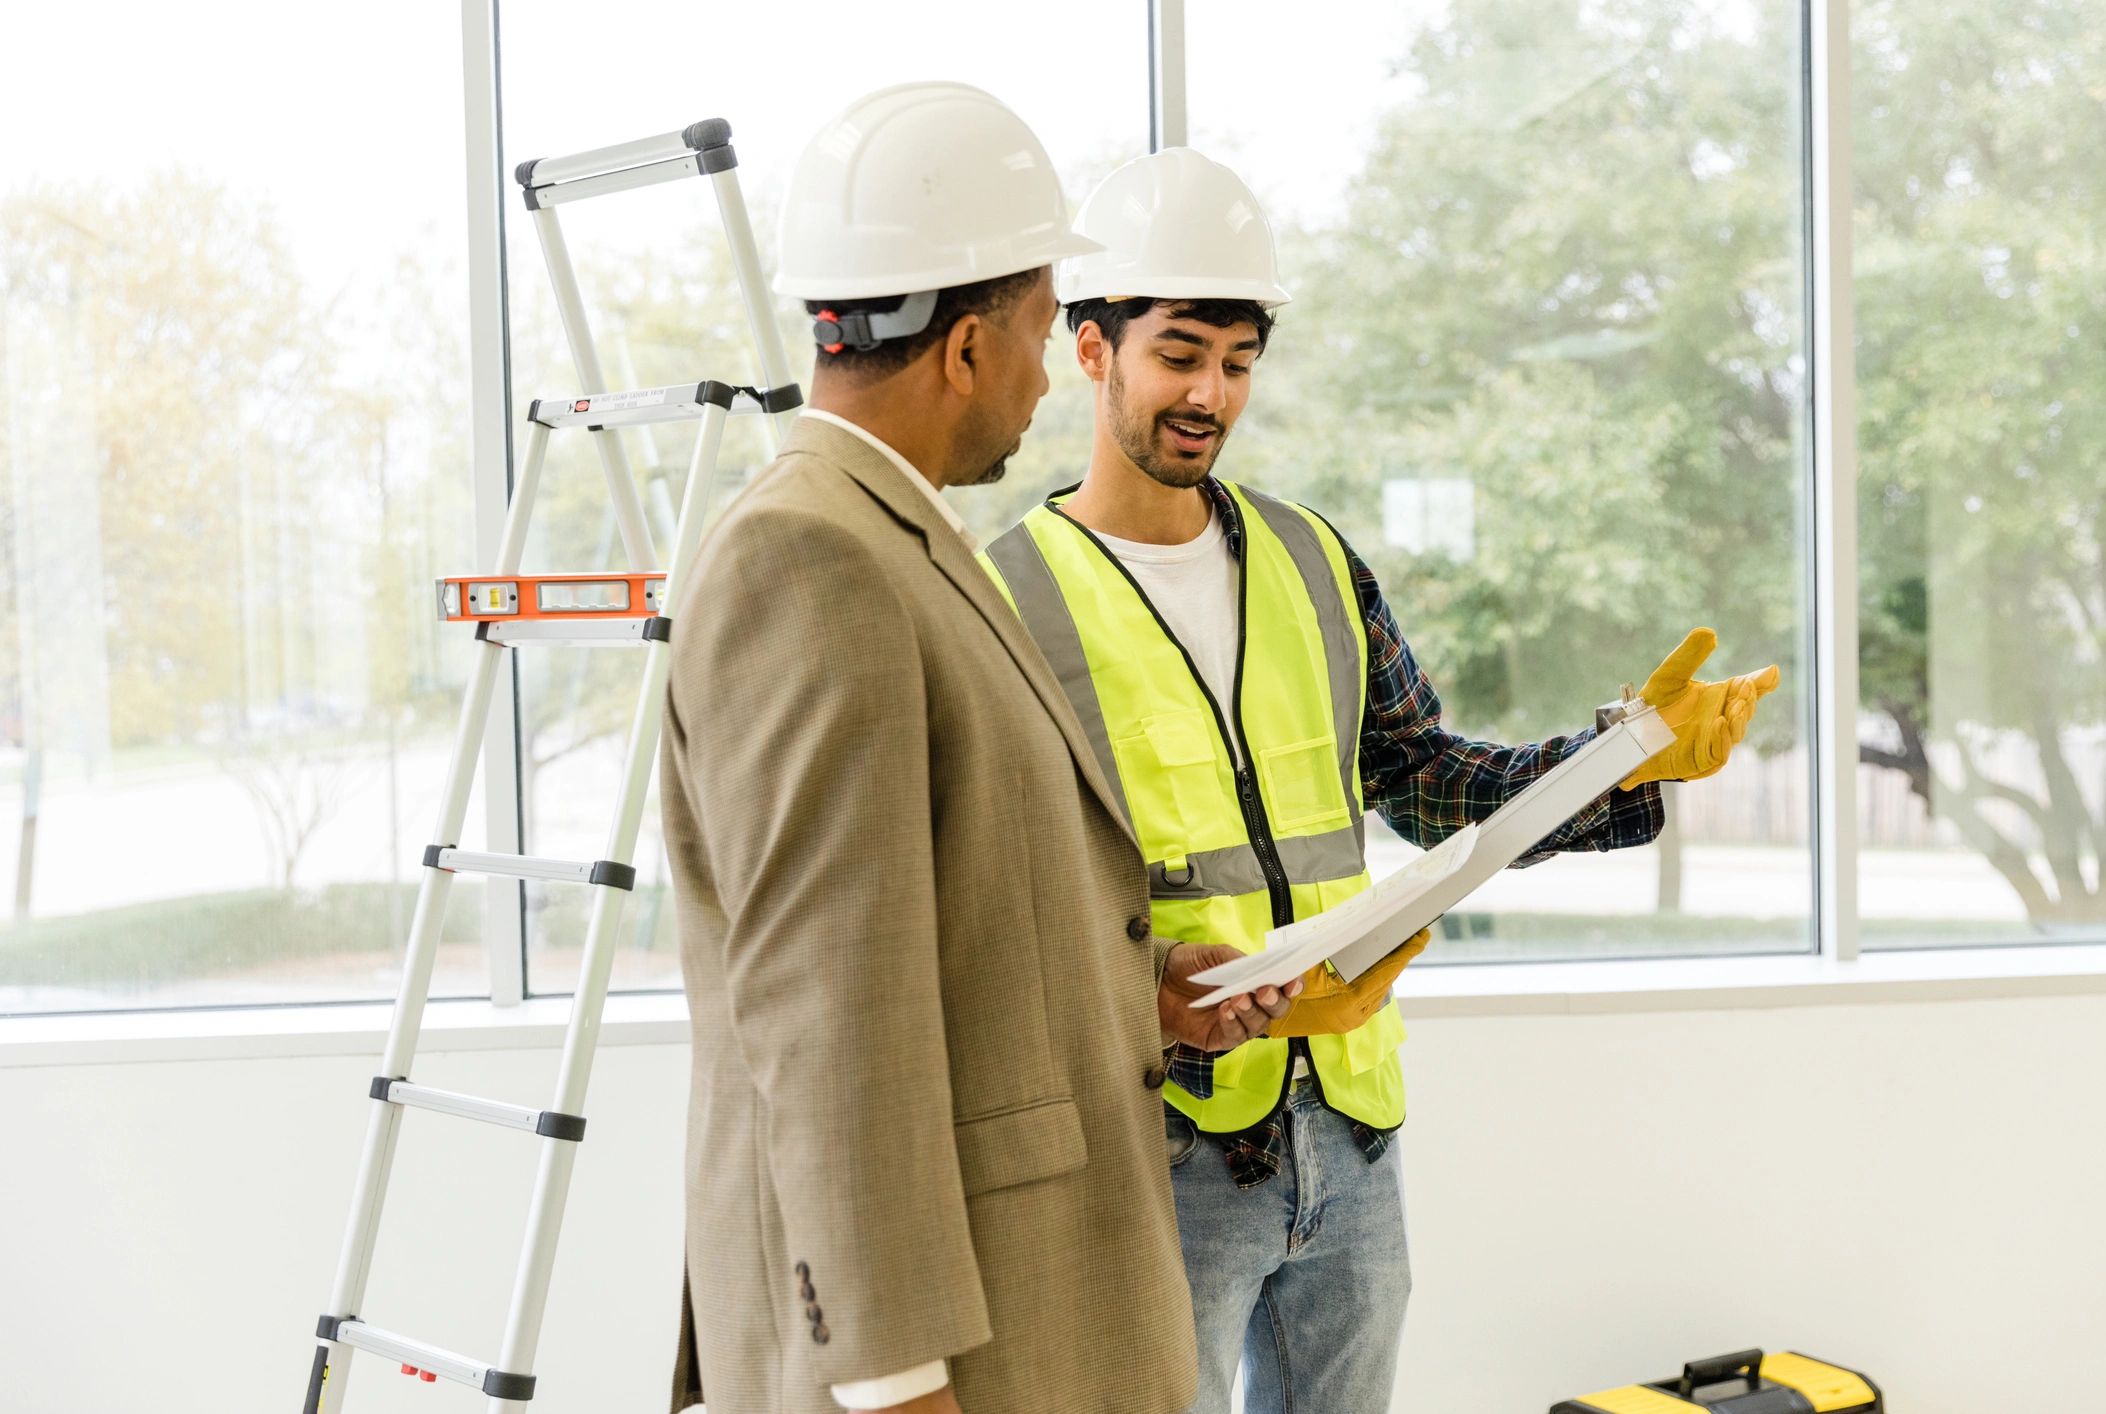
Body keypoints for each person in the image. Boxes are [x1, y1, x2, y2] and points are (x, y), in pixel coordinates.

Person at [979, 147, 1779, 1413]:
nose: (1210, 394)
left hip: (1347, 1123)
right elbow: (996, 900)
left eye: (1238, 362)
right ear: (1092, 349)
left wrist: (1627, 753)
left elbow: (1425, 777)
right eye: (1179, 355)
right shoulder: (1005, 597)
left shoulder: (1310, 557)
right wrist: (1146, 994)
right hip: (1164, 1136)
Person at [660, 89, 1300, 1414]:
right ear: (964, 346)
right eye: (1038, 325)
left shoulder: (893, 536)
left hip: (1026, 1306)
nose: (1044, 371)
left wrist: (1143, 987)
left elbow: (945, 920)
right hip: (948, 1352)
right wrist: (894, 1379)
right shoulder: (809, 556)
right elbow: (822, 1016)